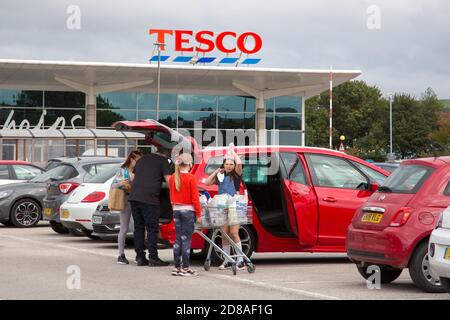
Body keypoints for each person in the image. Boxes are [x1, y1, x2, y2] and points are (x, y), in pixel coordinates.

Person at [128, 150, 172, 267]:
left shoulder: (142, 159)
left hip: (134, 197)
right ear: (166, 155)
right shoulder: (163, 161)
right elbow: (169, 181)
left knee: (139, 228)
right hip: (149, 198)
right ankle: (153, 258)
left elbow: (135, 177)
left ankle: (140, 257)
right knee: (152, 228)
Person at [205, 147, 245, 271]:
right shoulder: (220, 175)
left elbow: (239, 162)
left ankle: (241, 261)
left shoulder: (236, 174)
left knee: (233, 233)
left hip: (234, 206)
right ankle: (227, 260)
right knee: (224, 234)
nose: (228, 166)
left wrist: (232, 151)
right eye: (226, 164)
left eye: (230, 164)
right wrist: (216, 171)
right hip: (222, 207)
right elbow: (207, 182)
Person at [168, 153, 202, 276]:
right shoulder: (191, 178)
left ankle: (176, 267)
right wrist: (199, 213)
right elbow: (195, 198)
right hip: (188, 211)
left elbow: (171, 195)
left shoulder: (172, 177)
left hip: (176, 209)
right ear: (190, 164)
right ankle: (186, 267)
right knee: (186, 240)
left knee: (178, 239)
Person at [111, 150, 142, 265]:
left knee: (137, 228)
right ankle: (121, 254)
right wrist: (121, 183)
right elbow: (113, 185)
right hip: (125, 200)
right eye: (137, 160)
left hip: (136, 200)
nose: (138, 162)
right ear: (131, 159)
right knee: (124, 228)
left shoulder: (139, 171)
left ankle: (139, 254)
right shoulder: (122, 171)